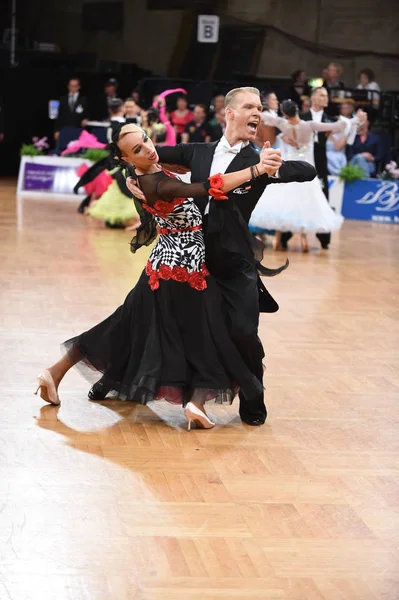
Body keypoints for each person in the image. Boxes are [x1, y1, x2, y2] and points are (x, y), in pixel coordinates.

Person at [35, 123, 284, 431]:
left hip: (161, 266)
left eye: (146, 140)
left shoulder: (145, 176)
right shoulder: (157, 184)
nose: (149, 148)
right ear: (127, 159)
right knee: (204, 335)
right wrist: (257, 169)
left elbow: (170, 168)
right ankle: (197, 402)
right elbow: (210, 186)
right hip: (185, 270)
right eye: (137, 149)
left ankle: (55, 372)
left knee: (125, 325)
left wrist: (130, 175)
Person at [126, 87, 317, 426]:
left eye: (260, 108)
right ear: (229, 113)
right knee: (202, 333)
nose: (257, 113)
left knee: (243, 332)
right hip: (197, 261)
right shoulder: (198, 152)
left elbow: (306, 171)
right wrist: (130, 177)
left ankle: (254, 393)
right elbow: (146, 156)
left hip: (234, 263)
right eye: (249, 107)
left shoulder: (256, 160)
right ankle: (188, 394)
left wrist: (272, 167)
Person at [249, 100, 354, 251]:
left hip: (289, 168)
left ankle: (280, 238)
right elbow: (334, 127)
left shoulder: (282, 123)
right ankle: (303, 240)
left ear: (284, 113)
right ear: (297, 110)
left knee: (285, 201)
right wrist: (350, 122)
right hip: (305, 168)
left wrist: (253, 109)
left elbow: (266, 117)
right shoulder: (308, 125)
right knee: (306, 202)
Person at [280, 87, 338, 251]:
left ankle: (324, 238)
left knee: (322, 198)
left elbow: (342, 133)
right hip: (302, 163)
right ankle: (286, 235)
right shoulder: (301, 118)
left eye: (326, 96)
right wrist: (289, 139)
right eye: (322, 95)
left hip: (320, 163)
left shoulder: (329, 119)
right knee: (294, 198)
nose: (325, 98)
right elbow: (282, 131)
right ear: (313, 98)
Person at [54, 78, 89, 143]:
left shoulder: (83, 100)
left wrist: (86, 119)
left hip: (78, 130)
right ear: (68, 86)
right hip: (65, 130)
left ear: (79, 87)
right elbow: (59, 116)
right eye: (71, 86)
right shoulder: (63, 99)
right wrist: (57, 130)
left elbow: (88, 114)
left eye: (75, 86)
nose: (73, 88)